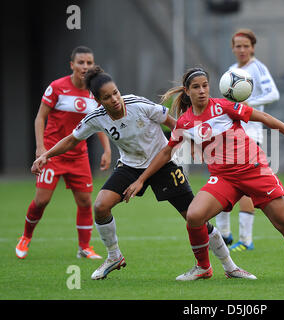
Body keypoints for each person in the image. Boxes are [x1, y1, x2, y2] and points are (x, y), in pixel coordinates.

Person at [31, 65, 255, 281]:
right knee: (100, 206)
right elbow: (72, 139)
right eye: (107, 97)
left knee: (194, 217)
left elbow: (174, 123)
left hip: (163, 163)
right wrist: (45, 155)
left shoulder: (138, 104)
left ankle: (230, 267)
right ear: (98, 101)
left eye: (116, 93)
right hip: (129, 166)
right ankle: (114, 256)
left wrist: (195, 143)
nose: (115, 99)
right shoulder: (95, 117)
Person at [123, 67, 284, 280]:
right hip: (224, 178)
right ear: (187, 91)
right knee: (194, 216)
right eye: (196, 87)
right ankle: (203, 268)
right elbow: (167, 151)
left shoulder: (223, 106)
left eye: (205, 86)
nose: (202, 91)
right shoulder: (185, 122)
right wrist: (142, 179)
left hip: (254, 170)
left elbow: (261, 116)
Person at [16, 46, 111, 260]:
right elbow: (40, 117)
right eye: (81, 62)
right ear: (72, 65)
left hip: (78, 155)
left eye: (89, 63)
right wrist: (41, 148)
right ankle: (25, 237)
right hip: (53, 153)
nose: (85, 67)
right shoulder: (57, 87)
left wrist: (106, 149)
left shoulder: (94, 92)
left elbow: (98, 123)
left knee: (86, 202)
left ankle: (84, 248)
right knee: (41, 200)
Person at [215, 28, 280, 252]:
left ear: (253, 47)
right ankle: (224, 234)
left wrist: (251, 104)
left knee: (244, 187)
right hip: (230, 134)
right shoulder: (232, 71)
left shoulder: (258, 68)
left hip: (251, 135)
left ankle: (246, 239)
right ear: (232, 48)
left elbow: (274, 94)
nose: (242, 50)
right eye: (238, 46)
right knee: (222, 178)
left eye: (246, 46)